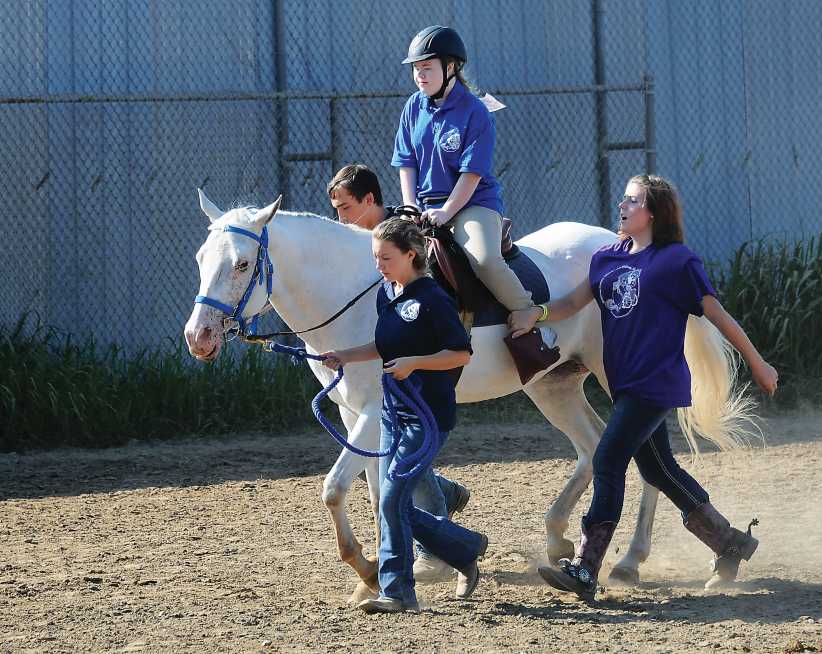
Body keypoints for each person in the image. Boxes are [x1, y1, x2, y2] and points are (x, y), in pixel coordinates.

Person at [529, 174, 778, 601]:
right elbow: (573, 304)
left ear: (653, 213)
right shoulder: (607, 257)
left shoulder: (677, 262)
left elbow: (717, 316)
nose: (622, 206)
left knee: (607, 458)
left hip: (656, 383)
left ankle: (587, 568)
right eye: (624, 198)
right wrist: (535, 315)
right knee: (659, 470)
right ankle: (730, 544)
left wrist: (758, 362)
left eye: (633, 200)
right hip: (625, 383)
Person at [321, 217, 487, 613]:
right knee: (392, 501)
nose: (379, 264)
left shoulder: (434, 300)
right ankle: (464, 548)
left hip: (426, 416)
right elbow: (384, 344)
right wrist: (345, 355)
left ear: (411, 256)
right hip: (392, 412)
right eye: (375, 257)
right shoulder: (388, 293)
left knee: (392, 498)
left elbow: (461, 353)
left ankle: (397, 591)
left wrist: (415, 363)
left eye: (386, 257)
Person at [392, 25, 543, 337]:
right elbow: (405, 162)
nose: (420, 75)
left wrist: (446, 212)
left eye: (427, 68)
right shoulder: (413, 106)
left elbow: (471, 173)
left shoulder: (475, 111)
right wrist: (409, 205)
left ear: (451, 68)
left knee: (484, 259)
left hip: (473, 204)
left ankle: (524, 308)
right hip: (424, 206)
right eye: (416, 69)